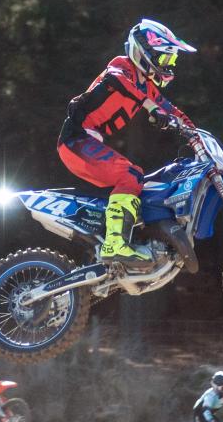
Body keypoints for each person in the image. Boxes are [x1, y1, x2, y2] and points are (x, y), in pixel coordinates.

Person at [57, 18, 198, 266]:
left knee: (140, 182)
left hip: (88, 142)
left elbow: (173, 112)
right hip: (75, 140)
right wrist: (150, 106)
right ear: (145, 52)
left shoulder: (147, 88)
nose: (169, 65)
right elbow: (116, 80)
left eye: (172, 60)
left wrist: (197, 137)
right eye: (166, 58)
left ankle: (126, 239)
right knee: (130, 175)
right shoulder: (121, 68)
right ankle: (115, 243)